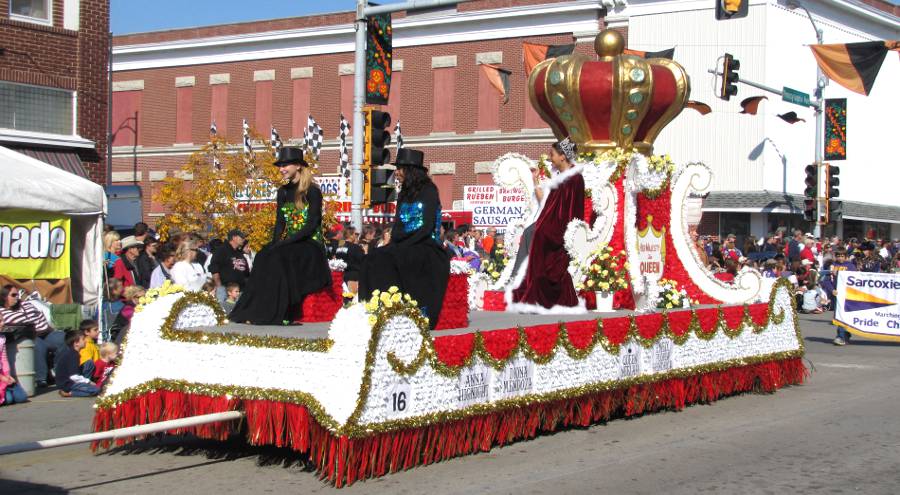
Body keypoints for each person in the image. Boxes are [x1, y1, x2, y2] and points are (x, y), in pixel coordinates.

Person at [230, 146, 331, 325]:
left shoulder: (312, 191)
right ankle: (252, 310)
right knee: (263, 255)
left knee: (281, 256)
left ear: (298, 166)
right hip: (290, 243)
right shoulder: (282, 192)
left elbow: (312, 224)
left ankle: (281, 312)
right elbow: (280, 223)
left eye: (286, 165)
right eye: (280, 165)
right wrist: (275, 244)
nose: (282, 169)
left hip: (310, 245)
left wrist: (285, 244)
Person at [360, 148, 450, 328]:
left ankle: (415, 311)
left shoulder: (429, 190)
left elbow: (426, 226)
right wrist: (394, 243)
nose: (397, 173)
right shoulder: (403, 194)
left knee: (402, 257)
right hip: (404, 243)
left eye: (400, 168)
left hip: (427, 245)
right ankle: (375, 307)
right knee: (374, 257)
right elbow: (398, 224)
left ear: (411, 170)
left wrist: (402, 245)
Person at [508, 138, 584, 312]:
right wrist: (535, 181)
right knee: (530, 232)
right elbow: (548, 204)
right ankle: (520, 281)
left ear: (563, 157)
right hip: (551, 224)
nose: (550, 158)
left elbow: (572, 211)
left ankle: (530, 291)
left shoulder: (574, 178)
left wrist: (556, 229)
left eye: (553, 154)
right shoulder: (561, 177)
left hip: (561, 229)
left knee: (536, 234)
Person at [0, 285, 65, 388]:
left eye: (17, 294)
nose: (17, 297)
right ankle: (41, 378)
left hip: (45, 331)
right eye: (13, 295)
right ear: (4, 297)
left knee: (63, 338)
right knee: (38, 345)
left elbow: (40, 315)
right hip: (29, 335)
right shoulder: (2, 312)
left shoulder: (26, 304)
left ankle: (60, 372)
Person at [209, 229, 250, 303]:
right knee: (225, 312)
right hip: (225, 290)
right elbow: (214, 268)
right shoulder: (221, 250)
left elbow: (246, 273)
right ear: (234, 238)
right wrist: (219, 287)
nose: (244, 239)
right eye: (242, 237)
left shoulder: (239, 253)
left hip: (241, 290)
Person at [54, 331, 99, 398]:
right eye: (83, 339)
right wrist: (88, 382)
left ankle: (78, 389)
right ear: (76, 343)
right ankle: (70, 393)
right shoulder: (73, 355)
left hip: (67, 382)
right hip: (68, 384)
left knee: (89, 364)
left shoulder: (72, 353)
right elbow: (74, 376)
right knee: (97, 390)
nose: (85, 341)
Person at [1, 323, 28, 406]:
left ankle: (5, 391)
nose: (3, 323)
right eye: (0, 320)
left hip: (2, 374)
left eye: (2, 320)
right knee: (8, 399)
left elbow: (4, 358)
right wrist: (2, 378)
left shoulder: (1, 338)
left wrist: (8, 375)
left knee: (22, 397)